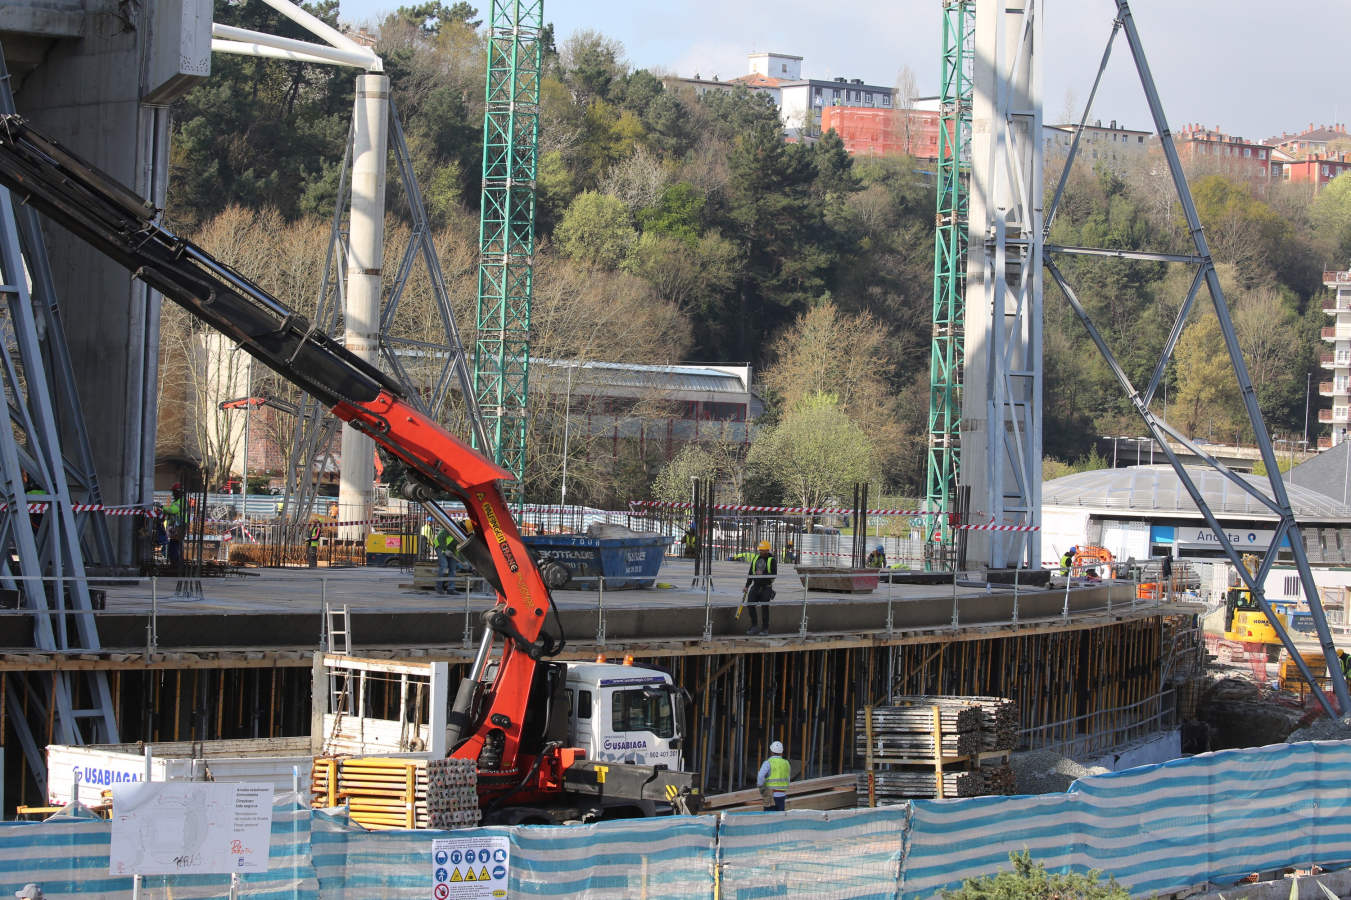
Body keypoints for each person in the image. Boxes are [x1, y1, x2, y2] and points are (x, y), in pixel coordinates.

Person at [742, 540, 777, 635]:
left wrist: (763, 574)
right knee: (750, 604)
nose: (761, 552)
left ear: (767, 550)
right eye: (760, 550)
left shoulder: (772, 560)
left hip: (766, 587)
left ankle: (765, 628)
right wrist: (747, 586)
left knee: (765, 607)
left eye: (763, 550)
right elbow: (750, 573)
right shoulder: (756, 558)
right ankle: (754, 626)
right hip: (756, 586)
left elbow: (774, 574)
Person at [756, 740, 790, 811]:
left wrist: (762, 788)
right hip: (782, 796)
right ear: (781, 752)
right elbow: (788, 779)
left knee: (769, 816)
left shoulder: (768, 762)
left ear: (771, 751)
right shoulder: (786, 763)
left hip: (770, 796)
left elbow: (760, 776)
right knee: (779, 816)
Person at [164, 482, 187, 573]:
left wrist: (162, 507)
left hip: (179, 526)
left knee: (174, 546)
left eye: (174, 492)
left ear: (178, 492)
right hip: (176, 526)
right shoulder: (176, 501)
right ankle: (175, 564)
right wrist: (165, 508)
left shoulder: (181, 501)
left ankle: (176, 565)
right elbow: (169, 510)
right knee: (174, 545)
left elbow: (173, 510)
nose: (173, 494)